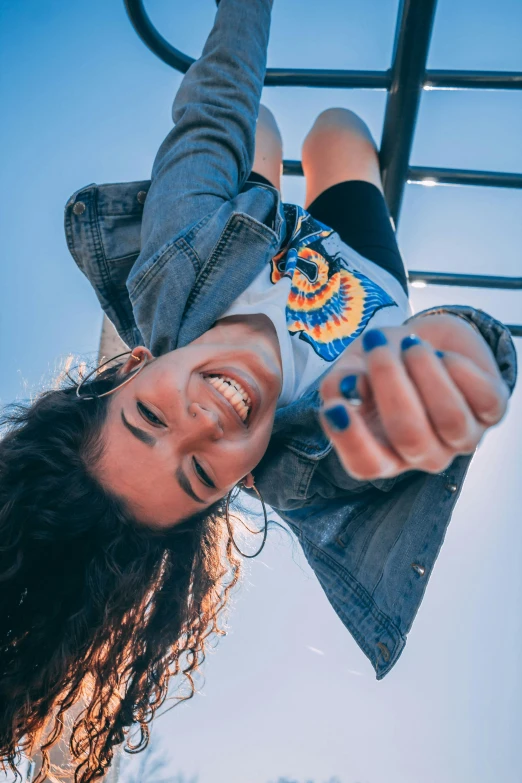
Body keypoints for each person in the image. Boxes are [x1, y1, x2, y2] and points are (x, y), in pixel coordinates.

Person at [0, 0, 516, 781]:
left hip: (239, 232)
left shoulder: (176, 261)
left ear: (133, 364)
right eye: (201, 473)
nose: (202, 423)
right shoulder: (307, 453)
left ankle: (261, 175)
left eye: (149, 417)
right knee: (340, 127)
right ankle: (304, 167)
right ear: (237, 484)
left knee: (257, 125)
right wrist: (466, 348)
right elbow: (393, 429)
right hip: (361, 273)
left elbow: (213, 108)